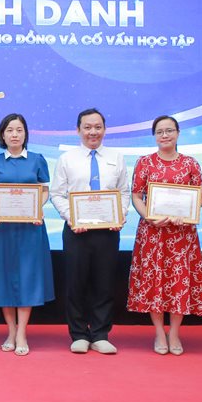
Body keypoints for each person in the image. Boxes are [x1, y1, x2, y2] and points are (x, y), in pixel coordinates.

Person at [49, 108, 129, 355]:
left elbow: (124, 192)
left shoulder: (117, 157)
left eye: (97, 127)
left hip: (108, 230)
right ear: (78, 130)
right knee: (76, 282)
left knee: (104, 282)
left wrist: (120, 215)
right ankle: (79, 334)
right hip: (77, 230)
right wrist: (71, 217)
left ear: (104, 129)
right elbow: (57, 194)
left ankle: (101, 334)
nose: (92, 132)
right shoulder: (67, 159)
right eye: (87, 127)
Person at [0, 114, 53, 356]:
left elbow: (44, 191)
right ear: (2, 135)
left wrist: (37, 208)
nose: (15, 134)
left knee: (28, 277)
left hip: (30, 227)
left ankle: (22, 333)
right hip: (1, 228)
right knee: (4, 277)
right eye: (10, 130)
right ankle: (10, 330)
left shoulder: (37, 160)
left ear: (25, 133)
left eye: (19, 130)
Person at [128, 115, 202, 355]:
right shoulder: (144, 162)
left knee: (180, 281)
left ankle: (174, 333)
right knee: (155, 282)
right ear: (154, 136)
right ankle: (159, 332)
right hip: (153, 233)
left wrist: (188, 214)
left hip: (182, 234)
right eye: (160, 131)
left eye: (169, 130)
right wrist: (148, 216)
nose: (165, 135)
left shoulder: (191, 163)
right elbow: (136, 195)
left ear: (178, 133)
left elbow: (200, 195)